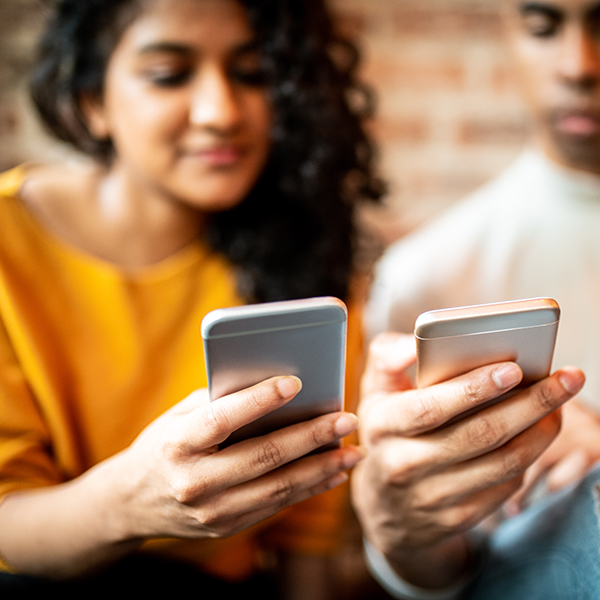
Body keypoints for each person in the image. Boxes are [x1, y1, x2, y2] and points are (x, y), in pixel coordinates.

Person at [0, 0, 383, 596]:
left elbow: (305, 537)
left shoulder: (307, 253)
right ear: (91, 102)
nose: (220, 113)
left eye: (253, 74)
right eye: (169, 75)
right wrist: (128, 504)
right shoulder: (9, 241)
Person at [352, 0, 600, 597]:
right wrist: (402, 529)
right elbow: (432, 572)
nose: (578, 65)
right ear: (507, 35)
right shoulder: (426, 275)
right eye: (543, 27)